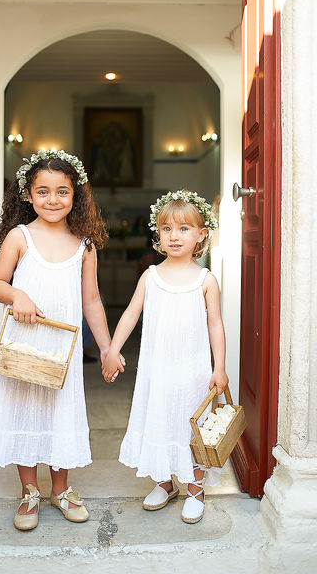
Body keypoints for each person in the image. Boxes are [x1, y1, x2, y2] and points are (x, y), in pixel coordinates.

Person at [0, 149, 118, 531]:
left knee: (61, 412)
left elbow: (91, 300)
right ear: (28, 194)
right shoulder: (20, 236)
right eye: (43, 191)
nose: (53, 199)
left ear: (76, 195)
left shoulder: (84, 244)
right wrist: (17, 296)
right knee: (24, 408)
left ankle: (60, 489)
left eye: (62, 191)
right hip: (24, 343)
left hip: (64, 347)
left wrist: (107, 347)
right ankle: (29, 490)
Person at [102, 190, 226, 525]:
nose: (174, 236)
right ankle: (164, 482)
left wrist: (220, 367)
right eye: (167, 228)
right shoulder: (151, 276)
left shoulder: (205, 280)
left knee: (192, 427)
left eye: (184, 229)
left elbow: (215, 324)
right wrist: (113, 349)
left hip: (193, 370)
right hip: (158, 370)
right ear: (158, 233)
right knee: (159, 418)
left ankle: (196, 489)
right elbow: (129, 314)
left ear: (201, 234)